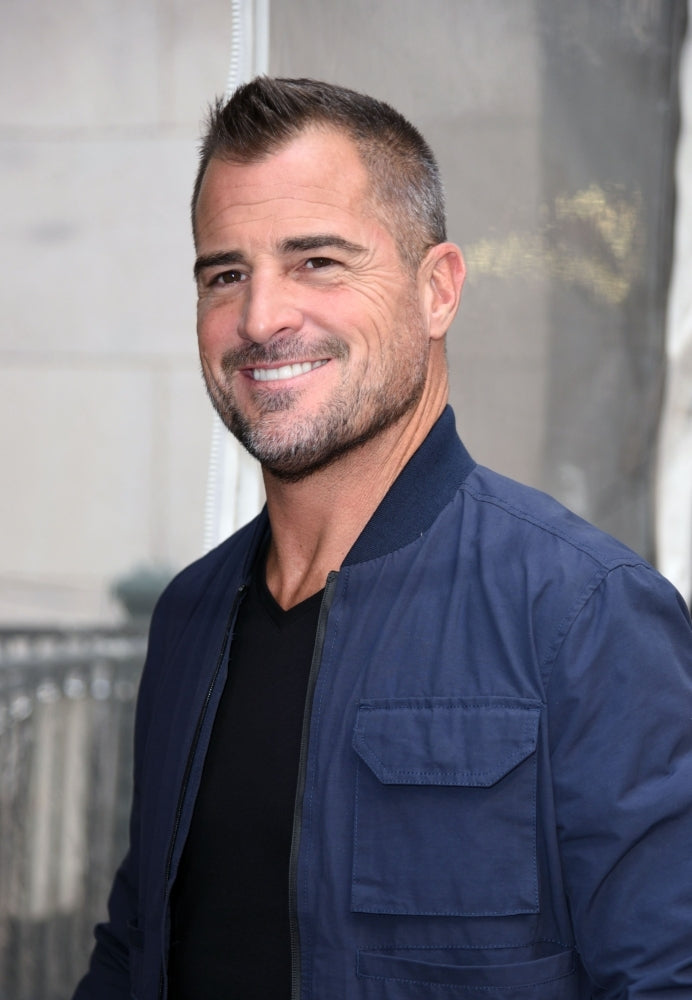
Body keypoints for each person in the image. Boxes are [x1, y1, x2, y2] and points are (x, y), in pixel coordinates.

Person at [72, 77, 692, 1000]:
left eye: (318, 260)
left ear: (437, 290)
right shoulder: (191, 616)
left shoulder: (583, 613)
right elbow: (135, 955)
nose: (260, 318)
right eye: (225, 273)